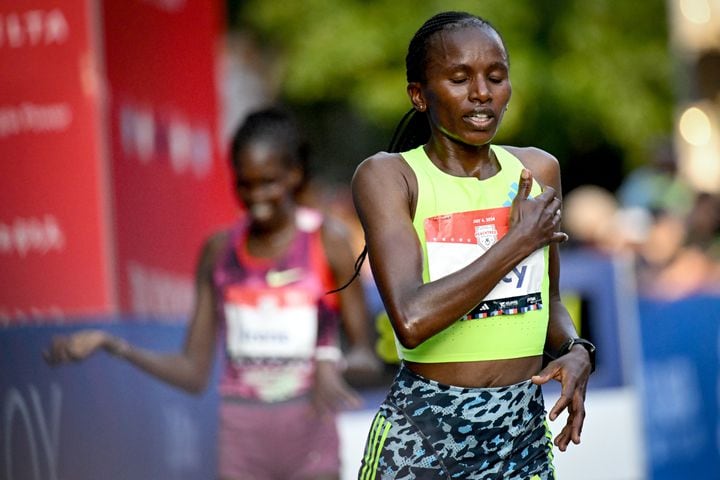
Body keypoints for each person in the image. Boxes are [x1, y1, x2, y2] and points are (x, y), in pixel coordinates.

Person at [44, 106, 381, 480]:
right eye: (245, 183)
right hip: (241, 448)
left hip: (310, 443)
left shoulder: (326, 241)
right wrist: (114, 345)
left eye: (268, 181)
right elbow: (193, 372)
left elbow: (366, 353)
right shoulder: (219, 252)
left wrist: (332, 363)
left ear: (294, 174)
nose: (257, 197)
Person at [349, 12, 594, 479]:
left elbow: (551, 302)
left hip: (520, 434)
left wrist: (579, 349)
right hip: (424, 437)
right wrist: (517, 241)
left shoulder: (537, 172)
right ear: (419, 95)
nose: (482, 93)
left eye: (495, 77)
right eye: (459, 79)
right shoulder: (390, 177)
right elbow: (412, 319)